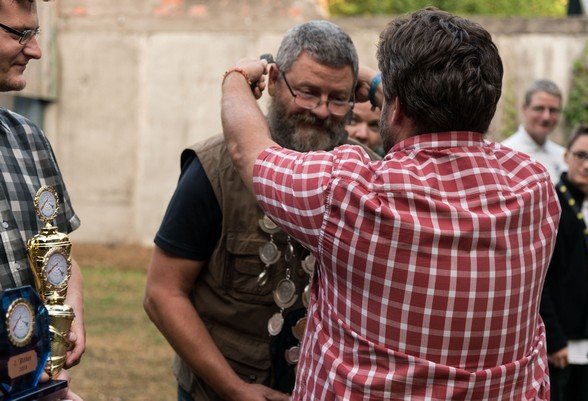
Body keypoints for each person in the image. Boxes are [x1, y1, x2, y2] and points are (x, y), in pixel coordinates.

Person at [221, 8, 561, 400]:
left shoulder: (351, 192)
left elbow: (247, 149)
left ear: (395, 107)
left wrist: (237, 77)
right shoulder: (533, 189)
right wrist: (385, 83)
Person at [144, 20, 379, 401]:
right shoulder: (214, 168)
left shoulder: (369, 175)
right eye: (308, 92)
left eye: (339, 98)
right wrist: (233, 388)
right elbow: (162, 293)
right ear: (273, 82)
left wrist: (377, 81)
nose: (322, 111)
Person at [0, 0, 85, 399]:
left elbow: (60, 255)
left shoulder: (29, 141)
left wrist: (70, 310)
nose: (35, 50)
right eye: (20, 34)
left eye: (34, 34)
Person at [540, 125, 588, 401]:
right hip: (561, 343)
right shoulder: (552, 204)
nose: (587, 165)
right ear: (566, 156)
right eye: (581, 155)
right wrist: (554, 339)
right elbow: (540, 280)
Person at [502, 79, 567, 183]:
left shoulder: (563, 156)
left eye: (553, 110)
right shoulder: (505, 154)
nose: (546, 117)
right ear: (524, 108)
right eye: (539, 108)